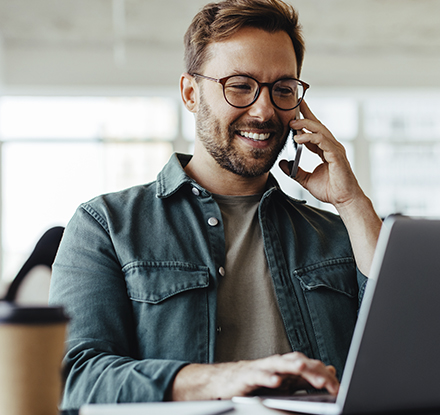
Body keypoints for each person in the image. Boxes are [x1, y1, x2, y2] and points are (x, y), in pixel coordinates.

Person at [49, 0, 383, 409]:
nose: (264, 111)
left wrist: (351, 202)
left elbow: (405, 350)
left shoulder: (336, 235)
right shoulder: (105, 226)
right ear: (191, 93)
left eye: (282, 90)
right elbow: (73, 379)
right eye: (240, 85)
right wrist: (227, 377)